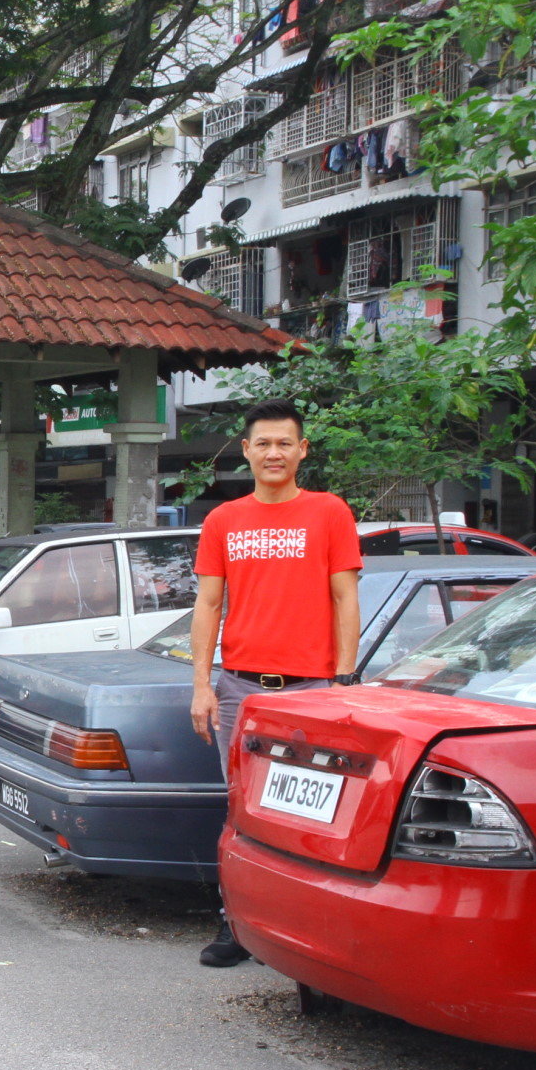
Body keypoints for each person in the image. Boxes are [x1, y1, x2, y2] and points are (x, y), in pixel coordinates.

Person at [188, 399, 363, 968]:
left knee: (311, 815)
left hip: (312, 690)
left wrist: (343, 680)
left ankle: (305, 933)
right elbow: (209, 604)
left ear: (302, 449)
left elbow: (345, 598)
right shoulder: (224, 520)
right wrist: (202, 684)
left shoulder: (329, 512)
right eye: (262, 443)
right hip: (240, 690)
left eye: (284, 443)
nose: (273, 453)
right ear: (246, 450)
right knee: (241, 809)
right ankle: (235, 924)